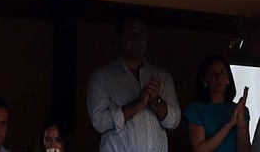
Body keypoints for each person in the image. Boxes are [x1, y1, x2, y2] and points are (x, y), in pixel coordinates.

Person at [86, 16, 182, 152]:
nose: (137, 40)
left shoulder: (161, 75)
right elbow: (99, 122)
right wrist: (138, 104)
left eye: (141, 34)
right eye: (131, 34)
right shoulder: (101, 77)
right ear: (119, 38)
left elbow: (173, 122)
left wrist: (155, 100)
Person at [184, 57, 249, 152]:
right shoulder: (195, 109)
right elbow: (200, 149)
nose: (218, 77)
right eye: (212, 73)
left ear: (228, 78)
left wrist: (241, 121)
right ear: (204, 80)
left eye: (222, 72)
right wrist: (229, 124)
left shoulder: (240, 109)